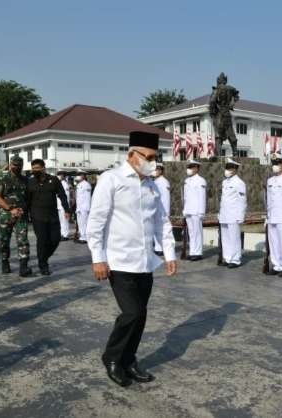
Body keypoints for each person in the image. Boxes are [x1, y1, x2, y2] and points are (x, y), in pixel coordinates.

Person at [88, 131, 177, 387]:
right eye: (147, 157)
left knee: (141, 314)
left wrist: (169, 253)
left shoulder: (152, 185)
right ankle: (112, 358)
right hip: (119, 260)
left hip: (145, 261)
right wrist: (98, 258)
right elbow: (96, 222)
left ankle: (129, 359)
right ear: (131, 155)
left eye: (154, 157)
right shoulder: (111, 180)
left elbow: (161, 221)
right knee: (131, 312)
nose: (151, 162)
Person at [28, 159, 71, 276]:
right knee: (42, 241)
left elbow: (62, 195)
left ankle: (43, 257)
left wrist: (67, 209)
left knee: (55, 239)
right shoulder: (30, 182)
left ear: (43, 168)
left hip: (52, 215)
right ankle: (43, 265)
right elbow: (27, 200)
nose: (35, 170)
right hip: (37, 216)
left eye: (37, 168)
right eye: (33, 168)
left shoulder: (54, 180)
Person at [0, 156, 32, 277]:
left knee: (23, 240)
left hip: (21, 215)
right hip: (5, 215)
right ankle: (5, 262)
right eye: (14, 165)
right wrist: (10, 209)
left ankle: (23, 267)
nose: (17, 167)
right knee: (4, 240)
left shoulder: (26, 180)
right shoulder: (2, 178)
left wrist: (23, 209)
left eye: (19, 165)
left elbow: (28, 197)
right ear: (10, 165)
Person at [218, 158, 247, 268]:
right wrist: (220, 213)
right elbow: (223, 199)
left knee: (234, 237)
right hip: (224, 214)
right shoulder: (225, 182)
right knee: (225, 237)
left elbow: (242, 200)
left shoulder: (239, 183)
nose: (227, 170)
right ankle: (228, 257)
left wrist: (241, 215)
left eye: (229, 168)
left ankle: (235, 259)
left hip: (234, 215)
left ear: (235, 169)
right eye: (226, 167)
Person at [182, 160, 206, 261]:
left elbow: (202, 197)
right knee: (191, 233)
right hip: (188, 210)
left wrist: (201, 211)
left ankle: (198, 252)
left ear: (197, 168)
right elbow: (185, 197)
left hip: (196, 210)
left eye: (192, 167)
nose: (190, 169)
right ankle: (192, 252)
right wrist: (184, 209)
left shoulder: (201, 181)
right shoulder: (187, 181)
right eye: (189, 167)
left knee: (197, 232)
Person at [152, 163, 171, 256]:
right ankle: (158, 247)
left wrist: (166, 212)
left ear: (161, 171)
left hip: (161, 210)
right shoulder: (155, 181)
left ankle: (162, 248)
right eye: (155, 169)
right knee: (156, 229)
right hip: (155, 210)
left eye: (158, 169)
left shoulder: (164, 182)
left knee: (161, 230)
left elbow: (166, 198)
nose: (155, 171)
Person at [74, 172, 92, 244]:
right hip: (79, 208)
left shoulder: (87, 185)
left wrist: (87, 208)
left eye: (79, 175)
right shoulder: (79, 185)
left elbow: (88, 197)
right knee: (80, 223)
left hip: (84, 207)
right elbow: (78, 197)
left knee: (84, 223)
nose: (78, 176)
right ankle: (82, 236)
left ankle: (85, 238)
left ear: (83, 176)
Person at [57, 173, 72, 240]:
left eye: (60, 175)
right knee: (61, 221)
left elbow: (66, 196)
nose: (59, 176)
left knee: (65, 221)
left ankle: (65, 235)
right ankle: (62, 234)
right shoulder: (60, 183)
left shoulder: (64, 184)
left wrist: (66, 207)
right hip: (59, 206)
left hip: (63, 206)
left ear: (63, 176)